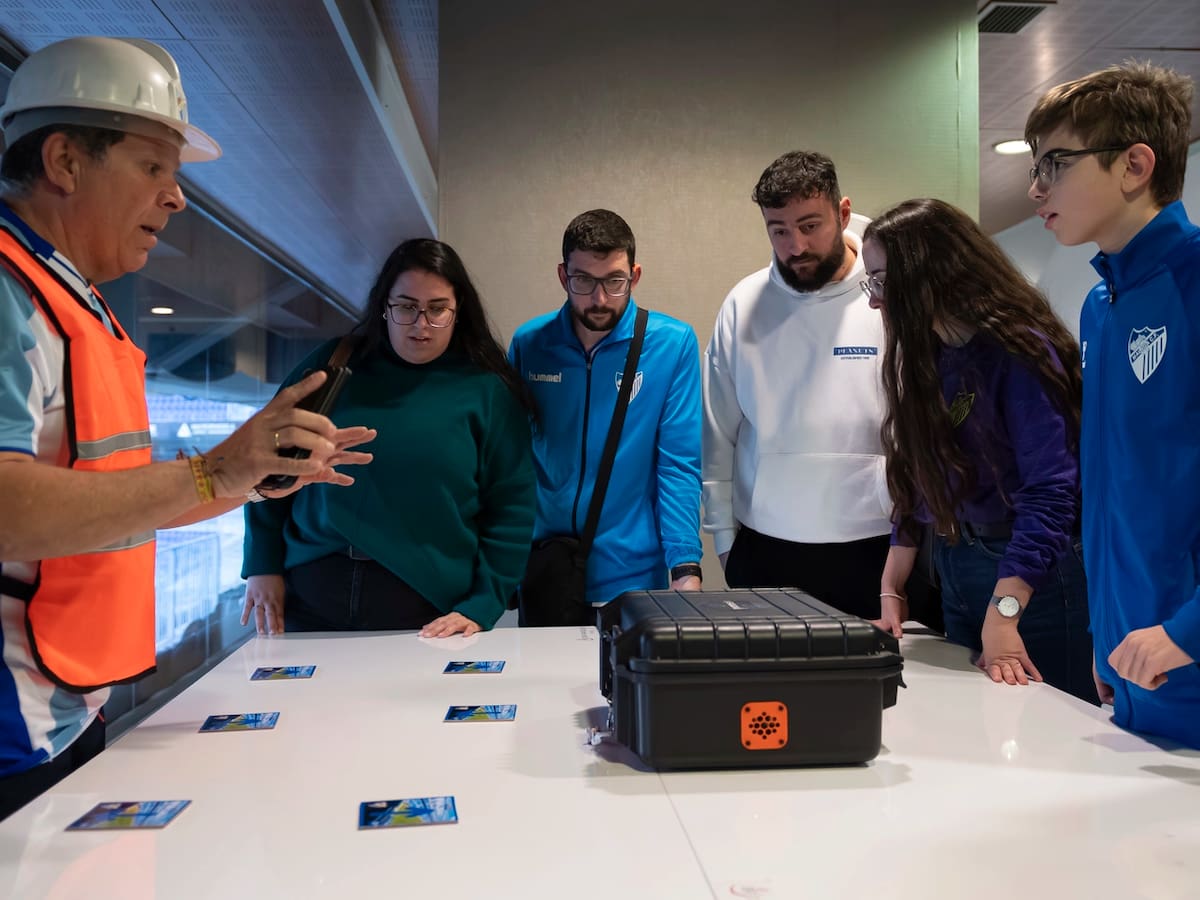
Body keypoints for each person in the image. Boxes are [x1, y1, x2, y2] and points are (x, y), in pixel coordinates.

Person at [0, 37, 374, 820]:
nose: (177, 199)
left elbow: (119, 501)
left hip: (63, 711)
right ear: (66, 161)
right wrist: (211, 474)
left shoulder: (77, 304)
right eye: (154, 168)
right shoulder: (9, 293)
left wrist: (248, 473)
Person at [1025, 62, 1200, 742]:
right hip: (1135, 652)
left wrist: (1185, 632)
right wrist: (1107, 627)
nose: (1037, 189)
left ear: (1134, 164)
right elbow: (1111, 486)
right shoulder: (1102, 306)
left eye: (1055, 164)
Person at [864, 199, 1097, 704]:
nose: (874, 301)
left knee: (1049, 733)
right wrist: (892, 585)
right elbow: (919, 474)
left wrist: (1005, 613)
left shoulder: (1019, 350)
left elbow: (1053, 495)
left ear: (926, 273)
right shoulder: (934, 354)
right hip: (960, 563)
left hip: (1030, 576)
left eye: (881, 282)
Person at [242, 239, 537, 638]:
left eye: (437, 309)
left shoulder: (487, 390)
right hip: (310, 589)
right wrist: (262, 565)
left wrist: (485, 602)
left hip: (425, 602)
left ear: (458, 311)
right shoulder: (333, 365)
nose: (420, 324)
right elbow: (267, 462)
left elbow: (512, 508)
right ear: (384, 306)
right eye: (406, 307)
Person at [703, 151, 919, 622]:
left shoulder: (890, 296)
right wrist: (724, 545)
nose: (795, 246)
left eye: (809, 225)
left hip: (877, 548)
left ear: (843, 213)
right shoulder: (743, 304)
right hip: (767, 548)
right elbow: (718, 435)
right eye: (778, 230)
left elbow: (919, 428)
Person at [508, 209, 702, 623]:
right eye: (583, 281)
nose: (599, 299)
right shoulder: (530, 344)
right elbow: (511, 461)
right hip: (547, 571)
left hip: (631, 577)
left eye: (614, 282)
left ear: (635, 275)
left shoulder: (672, 344)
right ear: (563, 276)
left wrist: (685, 566)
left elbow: (678, 463)